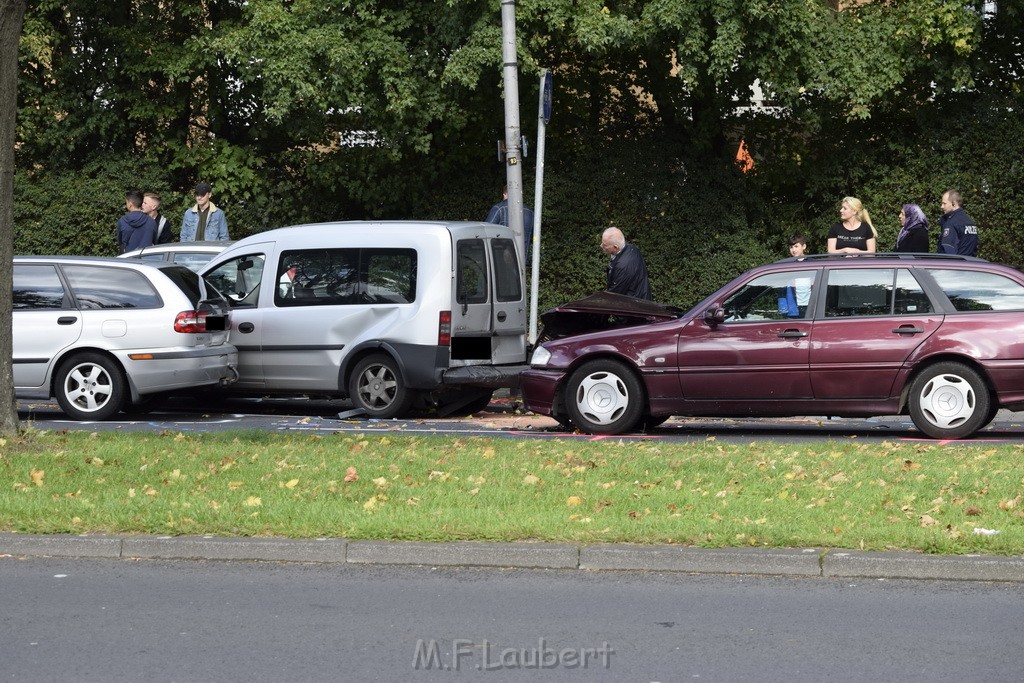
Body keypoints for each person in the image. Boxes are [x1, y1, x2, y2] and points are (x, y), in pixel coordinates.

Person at [601, 227, 652, 300]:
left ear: (615, 247)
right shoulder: (631, 248)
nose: (601, 246)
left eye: (605, 245)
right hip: (642, 296)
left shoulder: (622, 266)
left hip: (635, 305)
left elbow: (614, 295)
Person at [485, 184, 535, 258]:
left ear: (504, 194)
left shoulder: (499, 208)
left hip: (501, 259)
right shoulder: (530, 212)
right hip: (522, 258)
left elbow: (486, 231)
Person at [936, 190, 979, 256]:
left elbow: (947, 249)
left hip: (955, 264)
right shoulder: (969, 221)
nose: (942, 206)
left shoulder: (951, 222)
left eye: (944, 203)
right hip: (971, 263)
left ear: (953, 204)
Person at [116, 189, 158, 253]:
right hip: (146, 259)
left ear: (130, 204)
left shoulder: (122, 221)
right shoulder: (151, 222)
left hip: (127, 258)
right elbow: (154, 241)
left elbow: (120, 241)